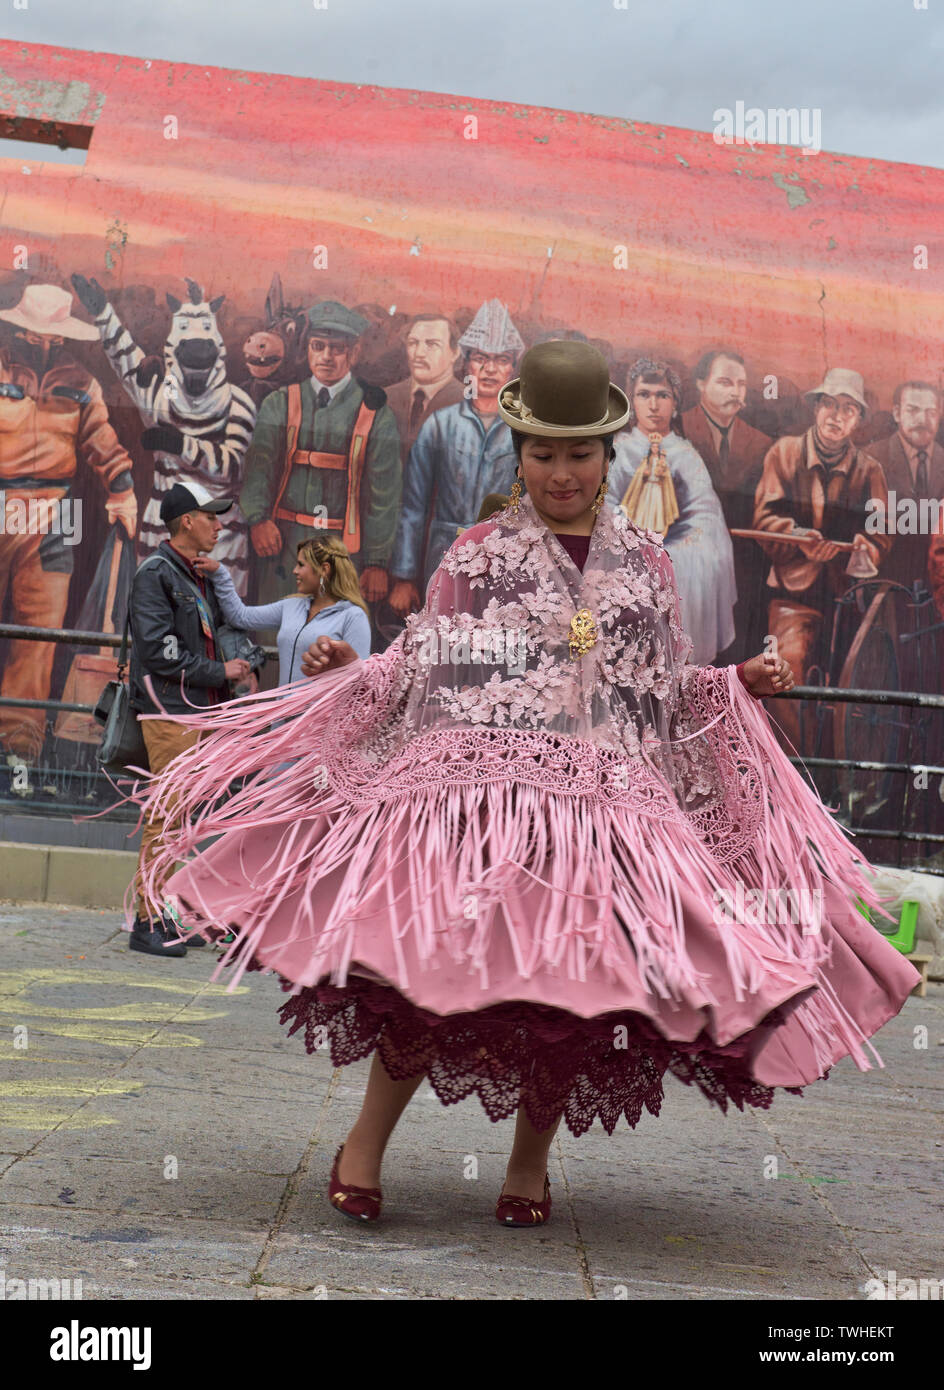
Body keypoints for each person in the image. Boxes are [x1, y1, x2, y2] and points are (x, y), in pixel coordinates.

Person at [131, 341, 920, 1227]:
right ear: (520, 457)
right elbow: (425, 665)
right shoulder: (475, 558)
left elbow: (661, 694)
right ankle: (364, 1146)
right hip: (490, 809)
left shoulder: (648, 570)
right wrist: (354, 666)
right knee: (426, 975)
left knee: (567, 1005)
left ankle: (528, 1168)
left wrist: (738, 685)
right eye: (543, 454)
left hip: (606, 825)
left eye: (579, 453)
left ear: (607, 455)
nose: (561, 472)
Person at [0, 284, 138, 764]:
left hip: (56, 511)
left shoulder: (81, 382)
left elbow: (102, 439)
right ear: (18, 327)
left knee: (38, 636)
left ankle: (20, 751)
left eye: (50, 336)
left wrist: (122, 491)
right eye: (34, 334)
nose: (41, 343)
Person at [127, 480, 251, 958]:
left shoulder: (195, 574)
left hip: (198, 713)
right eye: (211, 517)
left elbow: (221, 630)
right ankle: (148, 920)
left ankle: (173, 914)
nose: (219, 525)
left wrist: (237, 667)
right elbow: (160, 652)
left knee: (184, 822)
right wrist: (219, 670)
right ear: (186, 522)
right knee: (166, 817)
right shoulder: (155, 574)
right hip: (169, 714)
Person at [752, 368, 892, 754]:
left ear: (859, 420)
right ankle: (794, 774)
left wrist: (864, 547)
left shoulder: (870, 470)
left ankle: (836, 782)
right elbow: (764, 520)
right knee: (785, 672)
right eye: (829, 404)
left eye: (848, 409)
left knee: (855, 688)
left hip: (849, 599)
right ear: (815, 408)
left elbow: (881, 533)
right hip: (793, 595)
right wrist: (799, 540)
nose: (836, 416)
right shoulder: (784, 453)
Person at [239, 300, 401, 616]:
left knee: (332, 647)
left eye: (337, 348)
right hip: (282, 550)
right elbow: (258, 470)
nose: (326, 356)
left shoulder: (376, 414)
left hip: (342, 553)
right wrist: (258, 520)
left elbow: (385, 497)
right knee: (275, 641)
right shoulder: (279, 403)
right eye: (318, 346)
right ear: (308, 350)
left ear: (353, 353)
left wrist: (376, 562)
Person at [387, 298, 523, 615]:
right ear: (467, 365)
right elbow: (413, 506)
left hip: (504, 559)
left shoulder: (523, 432)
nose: (490, 369)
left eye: (501, 360)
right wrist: (404, 577)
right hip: (442, 554)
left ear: (512, 368)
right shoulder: (441, 424)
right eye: (480, 359)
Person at [607, 357, 737, 664]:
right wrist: (630, 541)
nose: (653, 405)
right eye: (644, 395)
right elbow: (603, 504)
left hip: (676, 553)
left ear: (675, 403)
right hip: (622, 549)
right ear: (632, 400)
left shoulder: (687, 456)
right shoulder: (617, 450)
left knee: (695, 563)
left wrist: (675, 551)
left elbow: (705, 515)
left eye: (662, 395)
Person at [680, 348, 772, 663]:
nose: (735, 392)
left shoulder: (761, 444)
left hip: (741, 567)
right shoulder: (676, 429)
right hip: (688, 564)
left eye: (741, 385)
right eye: (724, 382)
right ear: (701, 384)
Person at [193, 534, 372, 685]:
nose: (294, 571)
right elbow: (241, 617)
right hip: (283, 722)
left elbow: (360, 682)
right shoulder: (291, 606)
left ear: (324, 570)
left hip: (320, 725)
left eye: (301, 565)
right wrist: (220, 574)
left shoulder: (353, 617)